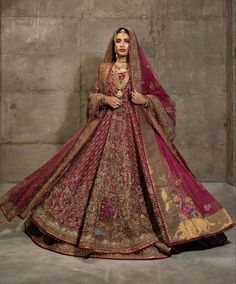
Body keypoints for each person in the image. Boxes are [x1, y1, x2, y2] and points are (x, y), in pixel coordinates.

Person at [0, 27, 235, 260]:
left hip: (137, 131)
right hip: (107, 127)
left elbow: (163, 99)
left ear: (132, 45)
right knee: (91, 171)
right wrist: (104, 98)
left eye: (126, 41)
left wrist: (146, 100)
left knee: (137, 176)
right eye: (118, 41)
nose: (121, 45)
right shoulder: (104, 69)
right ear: (113, 45)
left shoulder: (140, 72)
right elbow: (93, 95)